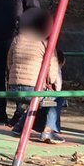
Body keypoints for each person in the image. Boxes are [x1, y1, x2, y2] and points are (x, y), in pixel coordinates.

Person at [8, 8, 63, 143]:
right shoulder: (45, 43)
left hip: (13, 89)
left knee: (39, 102)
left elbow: (9, 62)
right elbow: (52, 70)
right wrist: (51, 83)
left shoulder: (17, 40)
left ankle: (19, 127)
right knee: (55, 98)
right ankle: (48, 131)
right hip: (33, 89)